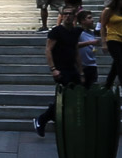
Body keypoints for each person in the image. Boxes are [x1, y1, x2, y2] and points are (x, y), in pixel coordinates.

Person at [33, 7, 95, 136]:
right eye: (65, 14)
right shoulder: (56, 31)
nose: (67, 16)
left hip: (72, 68)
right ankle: (42, 119)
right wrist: (53, 69)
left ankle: (55, 116)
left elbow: (76, 51)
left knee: (73, 94)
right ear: (62, 16)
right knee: (66, 94)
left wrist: (81, 71)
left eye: (70, 14)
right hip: (60, 69)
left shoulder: (75, 32)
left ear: (74, 17)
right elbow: (48, 50)